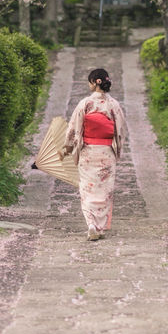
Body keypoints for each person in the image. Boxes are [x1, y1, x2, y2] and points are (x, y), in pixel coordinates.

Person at [59, 67, 127, 241]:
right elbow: (120, 130)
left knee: (87, 189)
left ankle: (91, 224)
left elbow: (73, 128)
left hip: (88, 152)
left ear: (94, 82)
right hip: (106, 153)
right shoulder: (114, 105)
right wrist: (117, 147)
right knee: (104, 190)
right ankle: (99, 226)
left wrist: (67, 148)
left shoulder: (85, 104)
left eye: (89, 82)